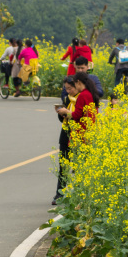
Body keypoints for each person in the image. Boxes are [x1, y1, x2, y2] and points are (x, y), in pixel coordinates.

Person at [52, 76, 77, 206]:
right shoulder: (67, 99)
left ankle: (79, 193)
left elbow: (80, 117)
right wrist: (61, 114)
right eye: (66, 88)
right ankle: (59, 193)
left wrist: (68, 113)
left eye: (70, 88)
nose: (68, 91)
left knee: (78, 166)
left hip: (78, 135)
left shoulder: (81, 98)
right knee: (63, 164)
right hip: (66, 134)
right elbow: (63, 120)